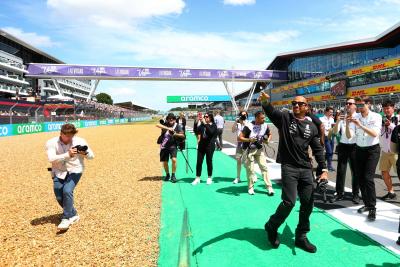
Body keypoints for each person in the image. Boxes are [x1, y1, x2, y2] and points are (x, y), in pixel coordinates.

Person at [259, 92, 328, 253]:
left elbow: (318, 149)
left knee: (308, 203)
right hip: (289, 167)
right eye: (294, 103)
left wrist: (323, 169)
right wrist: (265, 102)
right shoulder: (285, 118)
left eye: (299, 104)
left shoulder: (311, 127)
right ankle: (271, 226)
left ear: (306, 107)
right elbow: (271, 111)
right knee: (289, 202)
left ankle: (301, 236)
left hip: (305, 169)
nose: (296, 106)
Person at [45, 123, 94, 230]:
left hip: (75, 170)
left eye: (71, 136)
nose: (69, 138)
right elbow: (51, 159)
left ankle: (66, 218)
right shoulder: (51, 143)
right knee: (59, 194)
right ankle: (73, 214)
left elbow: (91, 156)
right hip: (58, 171)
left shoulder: (79, 141)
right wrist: (68, 154)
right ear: (61, 133)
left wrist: (85, 153)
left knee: (67, 190)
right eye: (67, 136)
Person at [351, 96, 381, 221]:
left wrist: (360, 126)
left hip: (372, 150)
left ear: (369, 104)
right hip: (359, 149)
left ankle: (373, 207)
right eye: (357, 105)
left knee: (368, 178)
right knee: (360, 178)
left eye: (362, 105)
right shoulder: (355, 116)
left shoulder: (376, 116)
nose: (359, 107)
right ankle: (367, 203)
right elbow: (350, 135)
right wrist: (348, 125)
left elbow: (375, 134)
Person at [330, 97, 360, 204]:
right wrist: (338, 121)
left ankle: (356, 194)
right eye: (346, 103)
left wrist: (347, 123)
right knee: (341, 171)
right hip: (343, 146)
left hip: (354, 146)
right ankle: (339, 193)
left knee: (355, 172)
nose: (348, 105)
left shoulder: (359, 117)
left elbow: (351, 135)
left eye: (350, 103)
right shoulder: (342, 117)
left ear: (355, 106)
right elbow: (334, 132)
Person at [239, 111, 274, 195]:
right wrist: (249, 140)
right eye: (262, 118)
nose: (264, 119)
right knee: (250, 170)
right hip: (248, 150)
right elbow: (240, 137)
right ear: (256, 118)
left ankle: (269, 187)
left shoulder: (265, 125)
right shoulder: (249, 126)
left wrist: (267, 140)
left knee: (264, 167)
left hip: (259, 149)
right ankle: (250, 187)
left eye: (264, 117)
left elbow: (270, 134)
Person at [156, 113, 185, 183]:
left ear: (175, 119)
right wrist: (168, 128)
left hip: (173, 146)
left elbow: (182, 135)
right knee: (165, 162)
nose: (171, 119)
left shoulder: (177, 126)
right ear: (167, 119)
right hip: (164, 146)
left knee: (174, 160)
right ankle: (167, 174)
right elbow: (157, 125)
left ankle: (173, 175)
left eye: (172, 118)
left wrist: (175, 133)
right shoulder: (165, 124)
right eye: (169, 118)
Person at [379, 100, 398, 200]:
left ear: (393, 108)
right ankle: (391, 191)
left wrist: (390, 124)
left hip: (396, 151)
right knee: (384, 172)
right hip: (385, 150)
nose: (386, 110)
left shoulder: (398, 118)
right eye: (384, 108)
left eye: (388, 108)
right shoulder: (381, 119)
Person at [192, 112, 218, 185]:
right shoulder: (202, 125)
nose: (205, 118)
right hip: (201, 145)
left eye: (207, 117)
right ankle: (197, 178)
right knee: (199, 162)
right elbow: (196, 131)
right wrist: (196, 122)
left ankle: (209, 177)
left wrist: (205, 124)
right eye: (205, 116)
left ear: (210, 118)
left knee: (209, 161)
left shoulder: (213, 125)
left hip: (210, 146)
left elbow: (211, 132)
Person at [232, 110, 250, 184]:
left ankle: (252, 175)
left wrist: (244, 123)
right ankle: (238, 177)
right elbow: (233, 131)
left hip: (246, 144)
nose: (244, 116)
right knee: (238, 161)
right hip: (239, 144)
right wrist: (236, 122)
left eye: (245, 115)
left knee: (246, 162)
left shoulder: (249, 123)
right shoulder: (238, 124)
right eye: (242, 115)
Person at [320, 107, 335, 171]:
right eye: (330, 112)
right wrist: (327, 129)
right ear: (326, 112)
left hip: (331, 136)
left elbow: (332, 127)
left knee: (330, 152)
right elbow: (320, 128)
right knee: (329, 151)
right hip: (325, 137)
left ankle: (322, 164)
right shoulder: (321, 119)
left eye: (332, 112)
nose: (331, 113)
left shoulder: (332, 119)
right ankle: (329, 166)